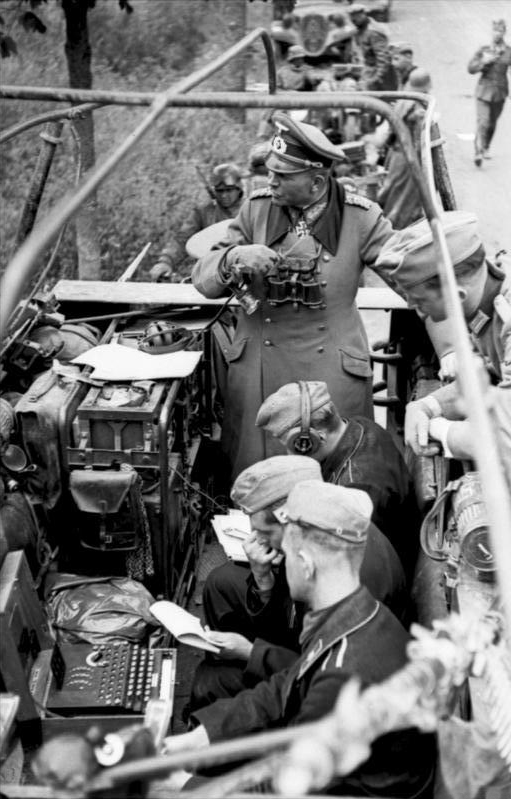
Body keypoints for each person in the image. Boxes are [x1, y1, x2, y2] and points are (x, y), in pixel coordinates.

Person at [164, 481, 436, 798]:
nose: (280, 563)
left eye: (286, 556)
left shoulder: (343, 671)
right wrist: (203, 736)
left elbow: (288, 786)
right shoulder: (354, 611)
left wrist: (185, 789)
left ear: (306, 565)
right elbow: (285, 686)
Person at [191, 111, 397, 479]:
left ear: (317, 180)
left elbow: (414, 278)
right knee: (258, 479)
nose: (270, 181)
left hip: (330, 371)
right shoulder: (256, 208)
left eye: (282, 176)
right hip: (260, 368)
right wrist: (234, 258)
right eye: (269, 172)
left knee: (336, 477)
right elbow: (204, 279)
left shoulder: (362, 218)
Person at [192, 455, 409, 711]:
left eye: (264, 533)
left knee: (209, 681)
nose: (256, 540)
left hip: (335, 690)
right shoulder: (331, 526)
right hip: (312, 650)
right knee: (222, 581)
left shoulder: (349, 581)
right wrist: (263, 579)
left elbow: (309, 665)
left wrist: (250, 653)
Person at [374, 210, 511, 473]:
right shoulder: (488, 296)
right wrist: (428, 405)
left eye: (419, 299)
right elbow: (491, 376)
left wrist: (438, 429)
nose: (412, 305)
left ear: (457, 295)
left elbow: (502, 439)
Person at [256, 380, 420, 577]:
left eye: (292, 446)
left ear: (308, 441)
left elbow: (340, 568)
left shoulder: (356, 489)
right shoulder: (360, 426)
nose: (290, 455)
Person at [149, 162, 244, 281]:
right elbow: (181, 240)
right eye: (220, 191)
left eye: (229, 190)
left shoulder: (251, 209)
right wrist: (165, 261)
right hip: (211, 275)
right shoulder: (204, 212)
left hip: (245, 272)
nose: (224, 195)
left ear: (239, 189)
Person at [377, 68, 433, 229]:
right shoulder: (416, 107)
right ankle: (395, 229)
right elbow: (419, 139)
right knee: (405, 199)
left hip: (396, 154)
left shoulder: (403, 99)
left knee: (392, 192)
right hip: (409, 158)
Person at [468, 19, 511, 167]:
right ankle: (478, 152)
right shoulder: (484, 50)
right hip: (483, 91)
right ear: (491, 32)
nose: (497, 33)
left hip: (500, 93)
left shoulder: (508, 52)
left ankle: (485, 147)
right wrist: (483, 62)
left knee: (492, 123)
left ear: (504, 32)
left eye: (500, 31)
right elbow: (470, 68)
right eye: (494, 30)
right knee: (483, 122)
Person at [347, 3, 397, 92]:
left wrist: (376, 79)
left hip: (377, 73)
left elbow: (383, 58)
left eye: (356, 18)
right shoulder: (361, 29)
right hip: (368, 70)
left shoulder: (373, 32)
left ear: (363, 15)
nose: (353, 21)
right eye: (352, 18)